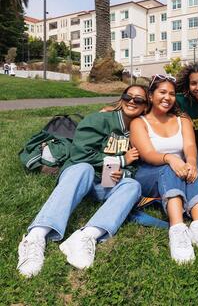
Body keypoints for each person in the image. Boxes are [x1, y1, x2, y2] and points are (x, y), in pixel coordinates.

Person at [17, 85, 148, 278]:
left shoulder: (139, 133)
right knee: (84, 168)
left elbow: (133, 166)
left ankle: (86, 236)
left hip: (103, 184)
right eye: (128, 96)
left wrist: (123, 173)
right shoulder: (99, 119)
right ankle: (36, 236)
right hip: (78, 177)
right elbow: (80, 155)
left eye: (139, 100)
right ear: (122, 98)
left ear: (145, 107)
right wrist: (121, 160)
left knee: (133, 185)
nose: (132, 101)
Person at [130, 74, 198, 264]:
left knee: (195, 161)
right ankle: (177, 230)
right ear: (150, 95)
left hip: (179, 169)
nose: (167, 97)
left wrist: (190, 162)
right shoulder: (139, 122)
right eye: (162, 92)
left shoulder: (182, 119)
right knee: (170, 168)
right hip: (150, 173)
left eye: (172, 94)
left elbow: (190, 146)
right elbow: (147, 153)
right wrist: (170, 158)